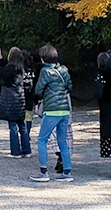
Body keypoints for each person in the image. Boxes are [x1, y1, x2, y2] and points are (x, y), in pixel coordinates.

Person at [30, 44, 74, 182]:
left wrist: (38, 101)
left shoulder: (45, 72)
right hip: (64, 109)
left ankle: (43, 172)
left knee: (42, 140)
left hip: (52, 110)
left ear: (43, 59)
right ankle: (67, 172)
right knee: (62, 141)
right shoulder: (64, 70)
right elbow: (69, 86)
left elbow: (38, 90)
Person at [0, 45, 29, 159]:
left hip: (11, 99)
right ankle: (26, 150)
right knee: (22, 125)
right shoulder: (21, 68)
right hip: (21, 98)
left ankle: (15, 151)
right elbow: (5, 67)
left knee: (13, 126)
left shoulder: (9, 69)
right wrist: (1, 60)